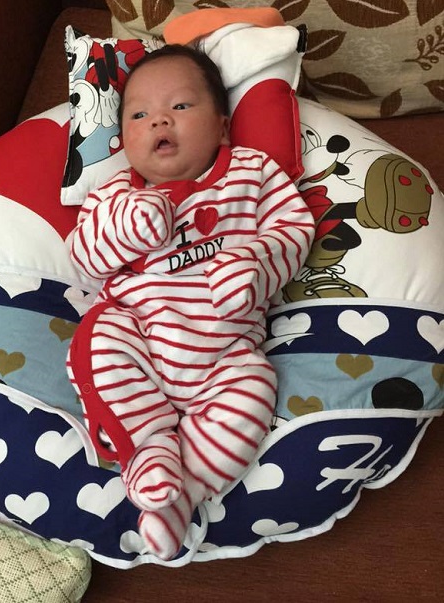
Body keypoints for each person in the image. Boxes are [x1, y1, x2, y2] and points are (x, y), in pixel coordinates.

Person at [67, 44, 314, 560]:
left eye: (180, 106)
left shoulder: (252, 172)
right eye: (139, 115)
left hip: (225, 353)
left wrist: (255, 265)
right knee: (98, 341)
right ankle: (150, 449)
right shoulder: (113, 193)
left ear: (222, 127)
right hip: (139, 339)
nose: (159, 119)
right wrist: (127, 228)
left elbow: (294, 231)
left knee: (255, 389)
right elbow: (84, 257)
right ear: (123, 138)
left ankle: (183, 494)